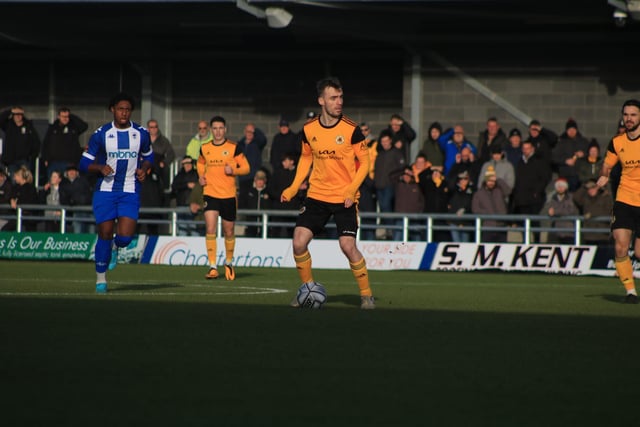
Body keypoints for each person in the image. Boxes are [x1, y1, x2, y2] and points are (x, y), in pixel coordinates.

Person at [280, 76, 375, 309]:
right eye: (333, 98)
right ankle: (308, 290)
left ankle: (366, 295)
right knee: (298, 242)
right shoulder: (308, 129)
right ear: (321, 100)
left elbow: (365, 163)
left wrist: (352, 189)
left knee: (347, 246)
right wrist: (293, 187)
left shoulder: (352, 130)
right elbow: (305, 158)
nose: (339, 102)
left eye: (341, 97)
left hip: (345, 197)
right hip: (317, 195)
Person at [79, 92, 154, 293]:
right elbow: (84, 163)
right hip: (105, 191)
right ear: (113, 109)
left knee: (125, 238)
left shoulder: (141, 133)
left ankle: (115, 247)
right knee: (104, 232)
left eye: (128, 109)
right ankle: (100, 280)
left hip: (130, 190)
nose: (124, 113)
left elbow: (149, 157)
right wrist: (99, 168)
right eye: (120, 109)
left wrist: (144, 169)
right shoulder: (101, 134)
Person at [596, 99, 640, 304]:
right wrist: (604, 175)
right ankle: (631, 292)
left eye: (633, 115)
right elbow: (606, 165)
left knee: (639, 251)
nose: (629, 119)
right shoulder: (617, 142)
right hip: (624, 199)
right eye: (626, 115)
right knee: (621, 247)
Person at [197, 115, 250, 281]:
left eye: (221, 128)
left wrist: (234, 171)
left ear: (225, 129)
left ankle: (228, 262)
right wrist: (201, 176)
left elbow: (247, 168)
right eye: (215, 128)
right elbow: (199, 163)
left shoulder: (234, 147)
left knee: (229, 231)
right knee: (210, 228)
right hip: (210, 193)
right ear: (211, 130)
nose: (218, 131)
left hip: (228, 195)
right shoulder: (205, 147)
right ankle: (213, 267)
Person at [374, 129, 405, 240]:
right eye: (383, 141)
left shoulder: (396, 152)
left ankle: (390, 228)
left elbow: (402, 167)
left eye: (386, 141)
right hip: (379, 186)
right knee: (383, 208)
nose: (385, 143)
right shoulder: (380, 155)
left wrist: (393, 179)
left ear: (390, 141)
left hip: (390, 185)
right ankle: (387, 229)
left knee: (386, 206)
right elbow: (376, 170)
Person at [41, 107, 88, 178]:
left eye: (67, 116)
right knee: (54, 184)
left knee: (69, 184)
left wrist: (72, 116)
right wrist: (45, 158)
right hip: (54, 162)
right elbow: (46, 144)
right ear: (59, 117)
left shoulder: (73, 127)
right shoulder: (53, 128)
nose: (65, 118)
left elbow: (84, 126)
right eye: (63, 116)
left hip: (70, 162)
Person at [471, 169, 510, 242]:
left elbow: (508, 191)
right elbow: (475, 209)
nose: (491, 183)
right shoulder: (479, 194)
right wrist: (488, 213)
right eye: (489, 181)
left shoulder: (499, 190)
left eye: (493, 181)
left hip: (501, 226)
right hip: (487, 227)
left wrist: (498, 180)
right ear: (485, 181)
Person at [0, 106, 41, 176]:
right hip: (11, 160)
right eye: (16, 114)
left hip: (24, 160)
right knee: (14, 180)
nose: (18, 116)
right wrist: (10, 111)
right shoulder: (9, 125)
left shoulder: (28, 126)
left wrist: (32, 156)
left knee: (25, 179)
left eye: (20, 114)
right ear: (13, 115)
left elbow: (36, 141)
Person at [552, 118, 590, 191]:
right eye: (569, 130)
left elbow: (593, 154)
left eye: (573, 130)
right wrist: (565, 161)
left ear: (576, 130)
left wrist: (584, 154)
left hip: (581, 176)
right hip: (566, 175)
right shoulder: (561, 143)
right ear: (566, 131)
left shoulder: (584, 141)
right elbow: (553, 158)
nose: (571, 132)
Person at [572, 179, 613, 245]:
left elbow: (608, 212)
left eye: (593, 187)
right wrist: (584, 186)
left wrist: (592, 214)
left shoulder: (605, 198)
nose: (591, 190)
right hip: (589, 235)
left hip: (602, 235)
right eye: (589, 188)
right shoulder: (585, 198)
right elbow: (576, 198)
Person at [541, 177, 578, 244]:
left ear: (566, 187)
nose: (560, 188)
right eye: (558, 186)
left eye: (562, 186)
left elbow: (570, 211)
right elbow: (548, 209)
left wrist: (555, 212)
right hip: (555, 231)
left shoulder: (571, 197)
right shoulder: (552, 198)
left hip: (568, 231)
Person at [1, 165, 39, 231]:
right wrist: (11, 200)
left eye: (15, 176)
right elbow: (11, 196)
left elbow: (29, 202)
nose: (14, 178)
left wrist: (18, 203)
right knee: (5, 230)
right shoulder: (16, 187)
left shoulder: (30, 188)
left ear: (20, 176)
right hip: (16, 215)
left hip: (27, 217)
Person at [59, 163, 93, 234]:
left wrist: (83, 201)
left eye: (73, 171)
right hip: (75, 211)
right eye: (70, 171)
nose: (71, 172)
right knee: (78, 232)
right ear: (66, 173)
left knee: (90, 233)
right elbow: (63, 198)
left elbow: (89, 195)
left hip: (88, 211)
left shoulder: (83, 181)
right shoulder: (63, 184)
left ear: (77, 172)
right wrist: (71, 202)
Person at [237, 122, 268, 199]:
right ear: (245, 132)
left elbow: (264, 139)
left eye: (251, 132)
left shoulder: (257, 143)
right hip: (243, 176)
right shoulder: (240, 144)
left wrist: (256, 130)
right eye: (248, 131)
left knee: (252, 198)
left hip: (253, 176)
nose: (249, 133)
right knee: (243, 198)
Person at [171, 156, 199, 236]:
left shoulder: (197, 174)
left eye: (189, 163)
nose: (187, 165)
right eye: (185, 163)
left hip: (193, 206)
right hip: (181, 205)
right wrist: (186, 185)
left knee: (194, 231)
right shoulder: (179, 175)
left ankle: (195, 248)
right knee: (182, 231)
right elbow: (174, 186)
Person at [146, 119, 175, 193]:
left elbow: (171, 154)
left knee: (164, 169)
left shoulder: (164, 140)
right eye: (151, 127)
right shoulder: (143, 139)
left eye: (156, 127)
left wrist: (164, 162)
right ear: (148, 128)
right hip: (145, 162)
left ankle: (165, 191)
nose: (154, 129)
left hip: (159, 163)